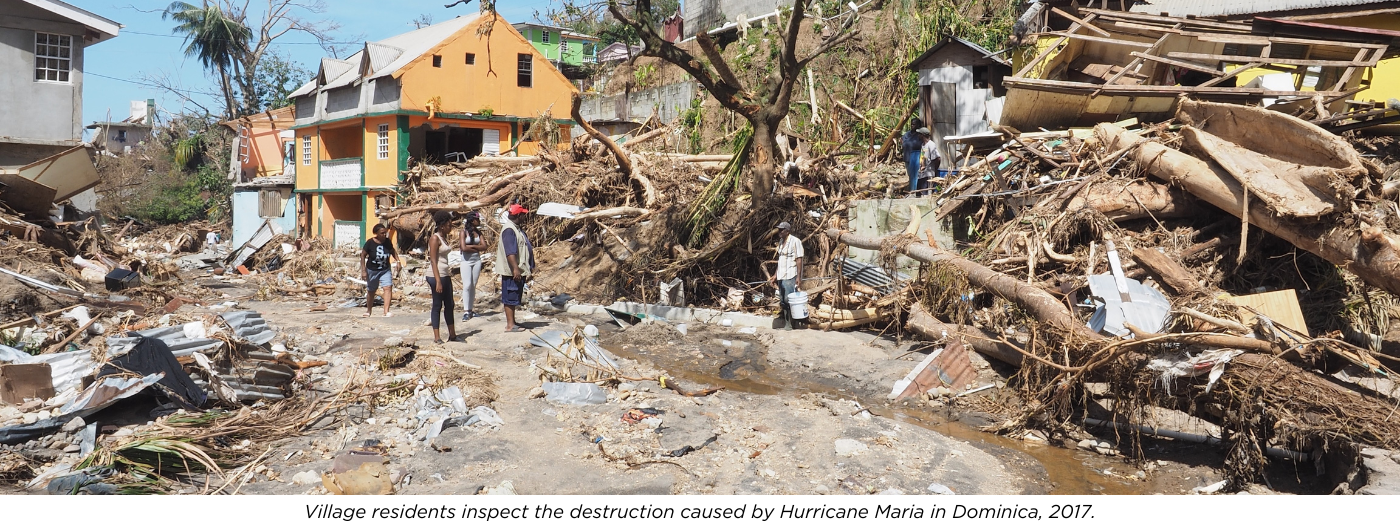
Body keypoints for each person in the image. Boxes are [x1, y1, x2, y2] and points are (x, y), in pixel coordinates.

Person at [496, 203, 535, 333]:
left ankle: (512, 321)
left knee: (514, 295)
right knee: (510, 296)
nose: (525, 217)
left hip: (517, 269)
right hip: (511, 271)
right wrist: (515, 269)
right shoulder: (509, 230)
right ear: (518, 215)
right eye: (523, 214)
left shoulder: (516, 228)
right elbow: (510, 252)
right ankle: (510, 325)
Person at [427, 211, 458, 343]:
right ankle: (437, 337)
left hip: (445, 274)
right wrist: (438, 281)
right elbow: (433, 260)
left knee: (450, 304)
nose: (450, 226)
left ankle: (452, 334)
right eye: (448, 224)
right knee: (437, 305)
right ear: (442, 226)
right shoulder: (435, 238)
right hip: (436, 275)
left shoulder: (443, 237)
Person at [360, 223, 404, 318]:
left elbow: (393, 251)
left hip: (385, 269)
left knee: (388, 287)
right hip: (372, 270)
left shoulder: (387, 242)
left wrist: (398, 261)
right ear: (376, 233)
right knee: (371, 290)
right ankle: (368, 310)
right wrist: (363, 270)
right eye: (382, 233)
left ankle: (386, 311)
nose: (384, 235)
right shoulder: (370, 243)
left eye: (385, 233)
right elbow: (363, 255)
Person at [768, 221, 804, 330]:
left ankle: (791, 323)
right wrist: (775, 275)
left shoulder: (795, 241)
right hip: (781, 275)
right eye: (779, 229)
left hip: (790, 274)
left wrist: (798, 277)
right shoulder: (781, 242)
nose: (779, 231)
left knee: (789, 299)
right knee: (783, 300)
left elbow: (799, 259)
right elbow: (780, 260)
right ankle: (786, 321)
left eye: (781, 230)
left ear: (787, 231)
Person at [458, 211, 490, 321]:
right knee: (467, 285)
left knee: (473, 285)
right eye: (477, 219)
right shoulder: (463, 232)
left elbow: (485, 246)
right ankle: (466, 311)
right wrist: (477, 247)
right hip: (466, 262)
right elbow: (463, 248)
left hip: (476, 261)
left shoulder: (479, 233)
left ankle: (471, 309)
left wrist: (471, 247)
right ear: (472, 220)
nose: (479, 221)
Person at [901, 118, 926, 196]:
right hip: (907, 157)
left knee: (914, 175)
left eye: (914, 124)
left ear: (918, 125)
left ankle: (914, 192)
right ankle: (912, 190)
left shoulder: (919, 135)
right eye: (911, 124)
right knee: (910, 175)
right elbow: (902, 140)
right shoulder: (907, 134)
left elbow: (922, 145)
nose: (912, 125)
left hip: (915, 157)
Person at [917, 127, 941, 197]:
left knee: (928, 193)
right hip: (922, 173)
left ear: (923, 135)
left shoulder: (931, 145)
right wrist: (922, 165)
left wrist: (934, 169)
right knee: (921, 193)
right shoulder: (923, 145)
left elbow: (938, 158)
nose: (918, 136)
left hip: (929, 174)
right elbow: (923, 156)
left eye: (919, 134)